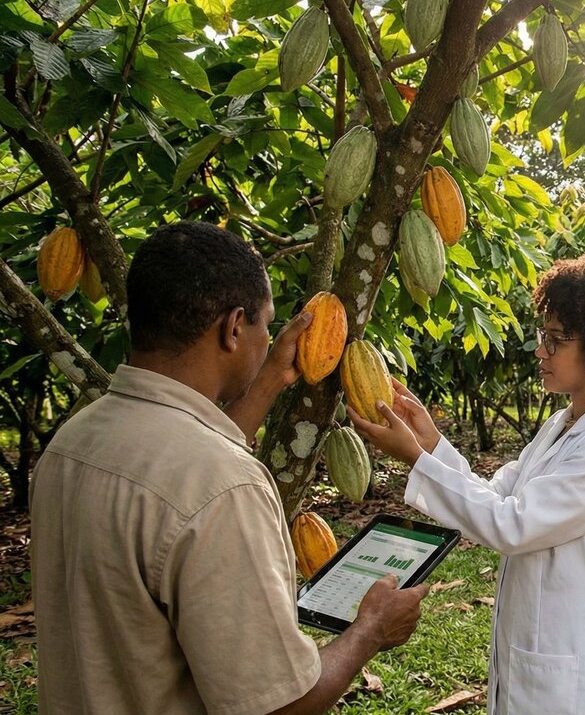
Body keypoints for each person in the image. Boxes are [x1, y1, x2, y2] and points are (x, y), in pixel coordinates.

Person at [31, 221, 428, 714]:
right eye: (265, 323)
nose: (268, 338)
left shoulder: (73, 442)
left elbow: (179, 460)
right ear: (234, 327)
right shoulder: (223, 487)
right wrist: (371, 629)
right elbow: (279, 705)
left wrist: (266, 382)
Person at [350, 251, 585, 715]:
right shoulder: (562, 424)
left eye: (556, 339)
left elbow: (510, 526)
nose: (541, 350)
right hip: (538, 652)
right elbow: (498, 496)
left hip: (580, 669)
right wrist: (432, 442)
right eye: (543, 336)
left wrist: (416, 457)